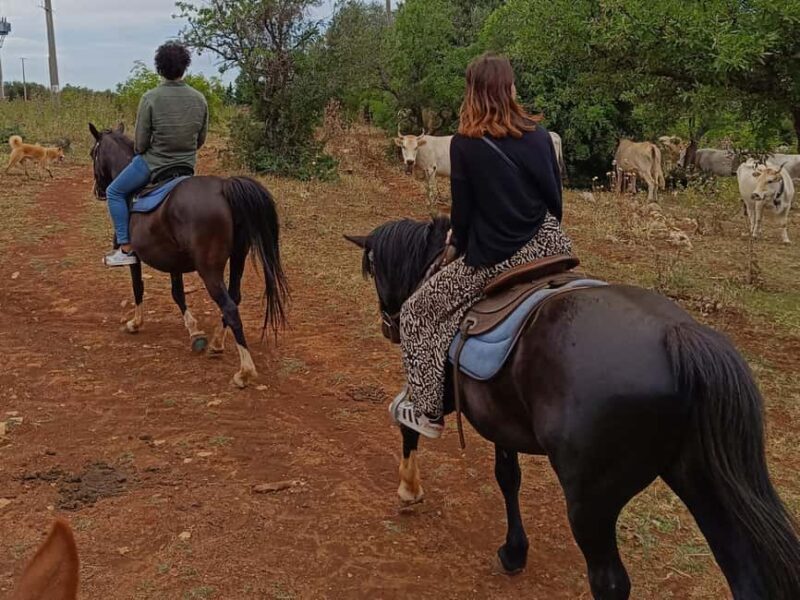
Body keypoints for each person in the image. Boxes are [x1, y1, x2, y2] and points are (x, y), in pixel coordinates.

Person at [390, 53, 573, 438]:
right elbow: (554, 202)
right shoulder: (541, 136)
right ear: (508, 89)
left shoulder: (465, 145)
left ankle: (426, 411)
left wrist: (460, 245)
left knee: (416, 313)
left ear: (473, 92)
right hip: (551, 245)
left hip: (498, 258)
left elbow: (464, 218)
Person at [103, 42, 209, 267]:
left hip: (154, 165)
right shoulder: (200, 99)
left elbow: (140, 145)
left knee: (114, 191)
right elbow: (200, 140)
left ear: (159, 69)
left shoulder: (150, 98)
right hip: (186, 167)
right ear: (185, 67)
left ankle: (125, 249)